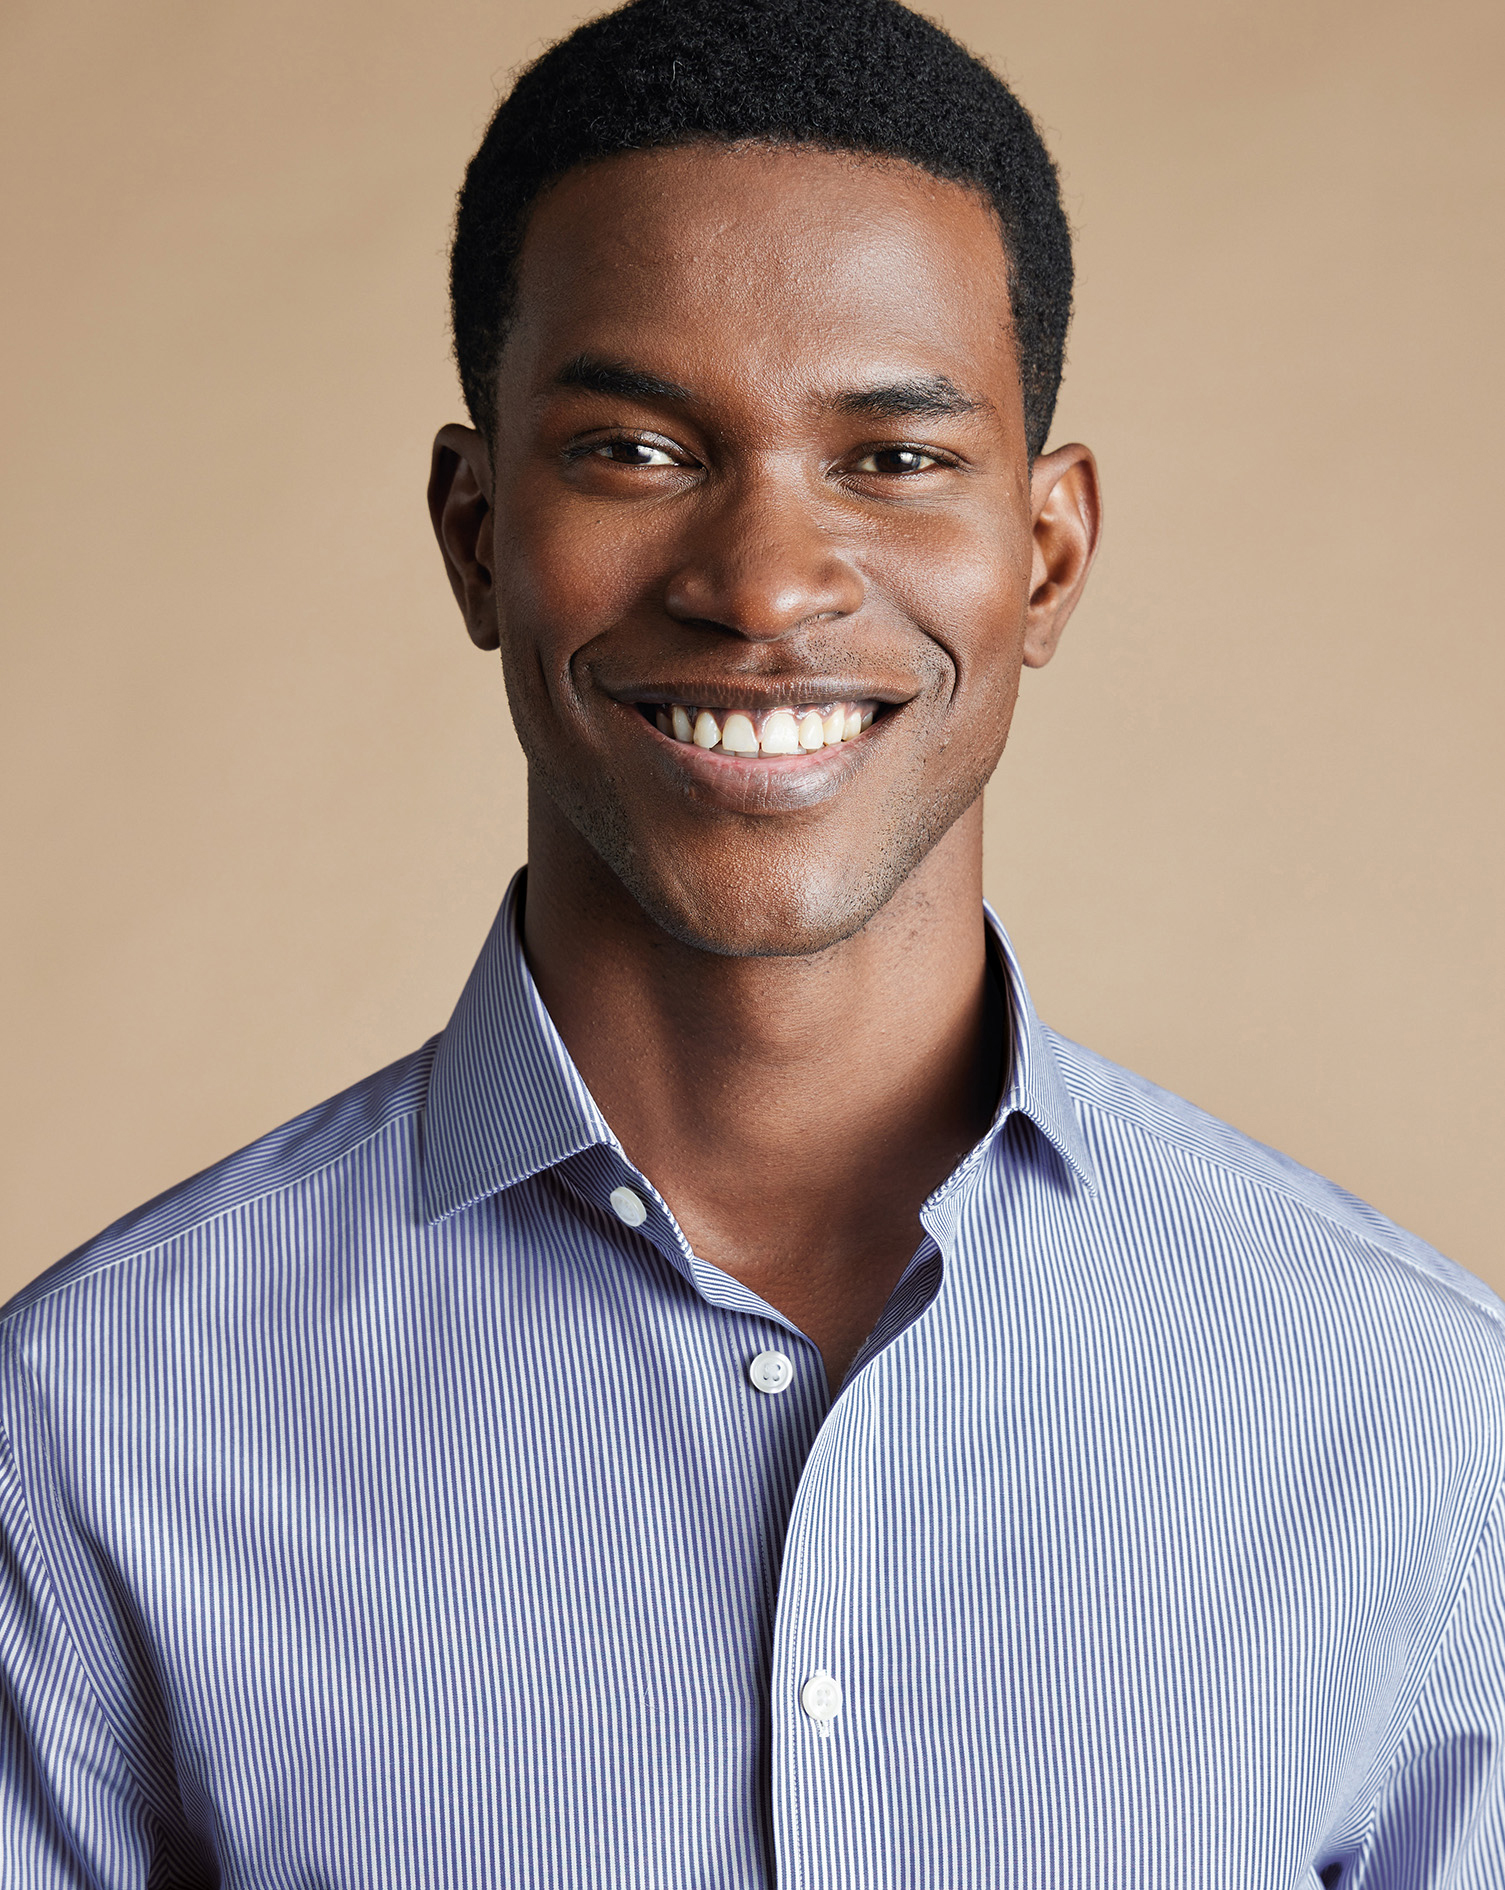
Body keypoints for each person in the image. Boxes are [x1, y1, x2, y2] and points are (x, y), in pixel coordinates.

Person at [3, 0, 1501, 1881]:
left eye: (890, 459)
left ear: (1044, 556)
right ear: (477, 534)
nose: (764, 583)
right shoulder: (90, 1425)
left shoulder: (1419, 1421)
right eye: (635, 448)